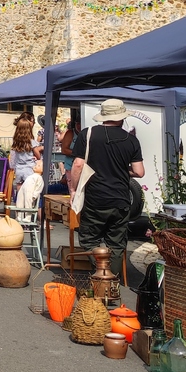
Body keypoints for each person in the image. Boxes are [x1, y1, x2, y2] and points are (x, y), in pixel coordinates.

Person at [68, 98, 145, 277]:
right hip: (121, 199)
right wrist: (121, 170)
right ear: (121, 117)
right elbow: (139, 172)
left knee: (89, 239)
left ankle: (101, 274)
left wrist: (73, 190)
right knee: (116, 244)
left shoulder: (88, 134)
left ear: (103, 116)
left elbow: (78, 164)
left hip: (95, 198)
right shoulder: (131, 140)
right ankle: (112, 282)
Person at [6, 119, 37, 204]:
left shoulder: (16, 142)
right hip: (29, 168)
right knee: (29, 191)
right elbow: (37, 155)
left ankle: (19, 208)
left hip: (19, 168)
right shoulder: (32, 142)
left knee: (19, 188)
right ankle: (28, 208)